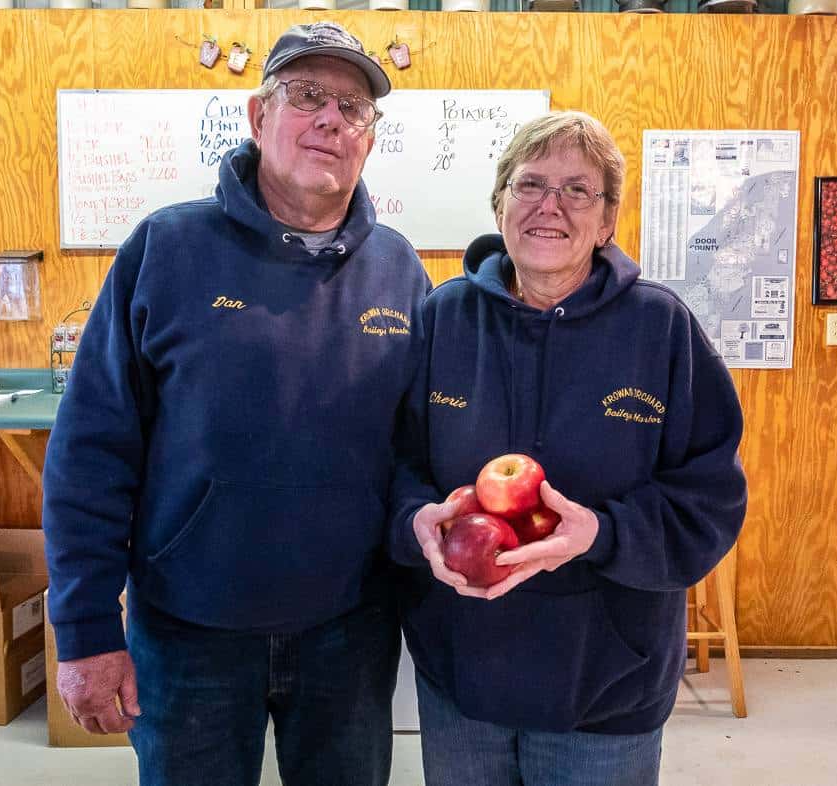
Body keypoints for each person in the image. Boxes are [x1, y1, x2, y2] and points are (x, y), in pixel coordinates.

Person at [42, 21, 431, 786]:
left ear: (369, 140)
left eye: (354, 108)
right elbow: (90, 452)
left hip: (349, 633)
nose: (331, 119)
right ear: (258, 118)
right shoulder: (166, 249)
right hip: (190, 633)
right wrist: (85, 630)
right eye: (308, 95)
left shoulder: (400, 270)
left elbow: (420, 450)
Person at [390, 110, 747, 786]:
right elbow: (396, 465)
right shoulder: (443, 318)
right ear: (499, 204)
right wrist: (416, 523)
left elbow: (709, 499)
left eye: (577, 190)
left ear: (607, 219)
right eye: (529, 185)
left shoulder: (661, 328)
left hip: (606, 689)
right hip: (461, 680)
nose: (549, 206)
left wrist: (602, 534)